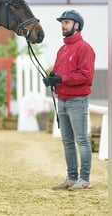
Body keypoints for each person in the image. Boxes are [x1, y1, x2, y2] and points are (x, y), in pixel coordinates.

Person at [43, 10, 95, 190]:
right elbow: (60, 73)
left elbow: (86, 75)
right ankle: (72, 178)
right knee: (67, 141)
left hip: (77, 101)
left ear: (76, 25)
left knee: (81, 140)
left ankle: (85, 180)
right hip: (63, 100)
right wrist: (52, 79)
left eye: (66, 22)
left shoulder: (84, 48)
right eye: (62, 23)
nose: (62, 26)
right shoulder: (62, 49)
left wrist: (62, 79)